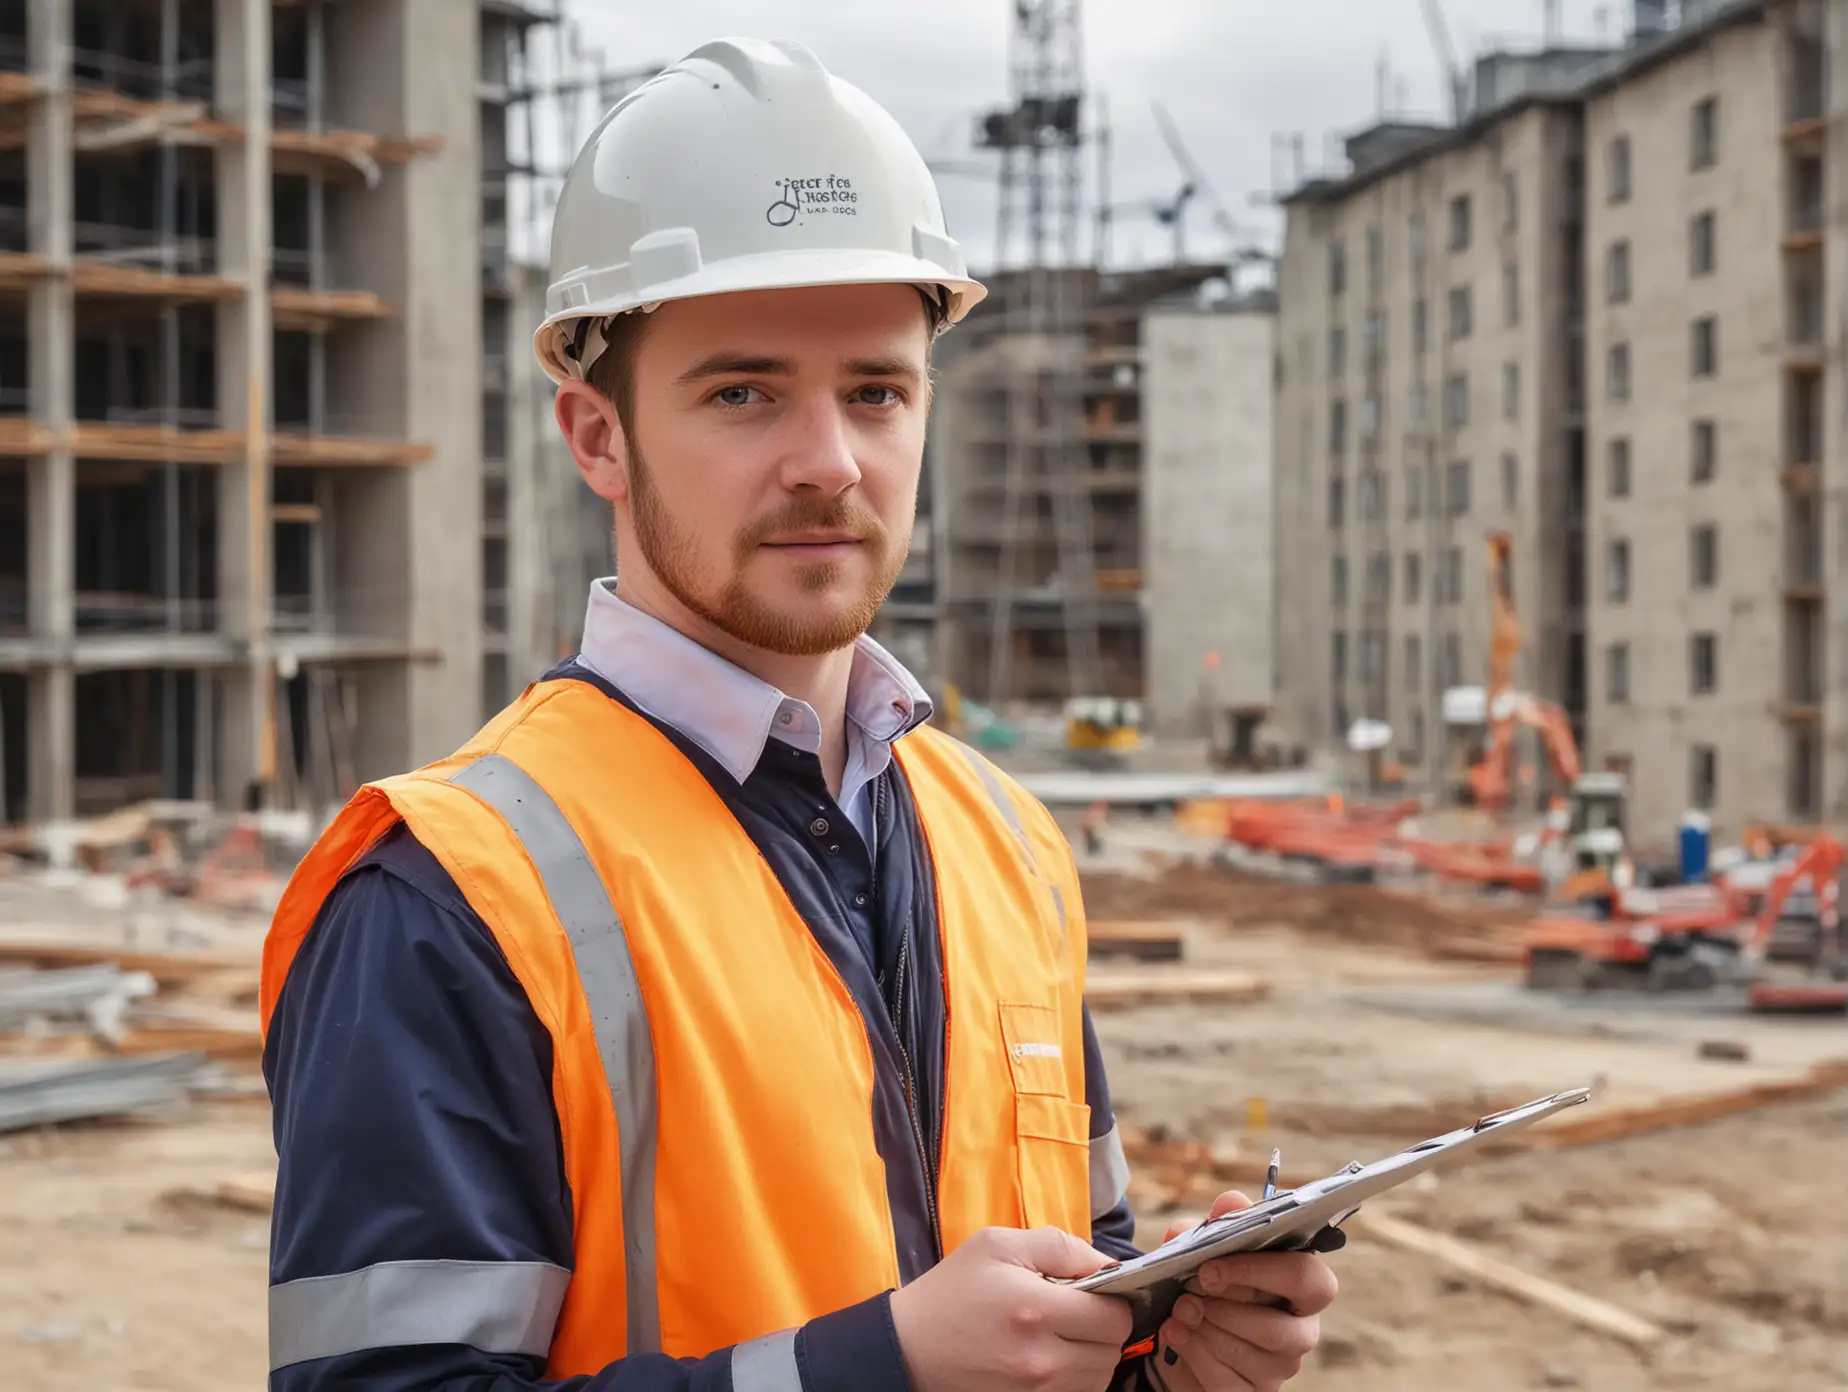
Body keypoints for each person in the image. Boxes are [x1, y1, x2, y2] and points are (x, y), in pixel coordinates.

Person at [259, 36, 1336, 1392]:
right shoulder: (450, 899)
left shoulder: (1006, 844)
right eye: (745, 391)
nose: (830, 462)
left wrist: (1160, 1355)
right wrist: (876, 1368)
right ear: (598, 435)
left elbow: (1062, 1298)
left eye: (876, 391)